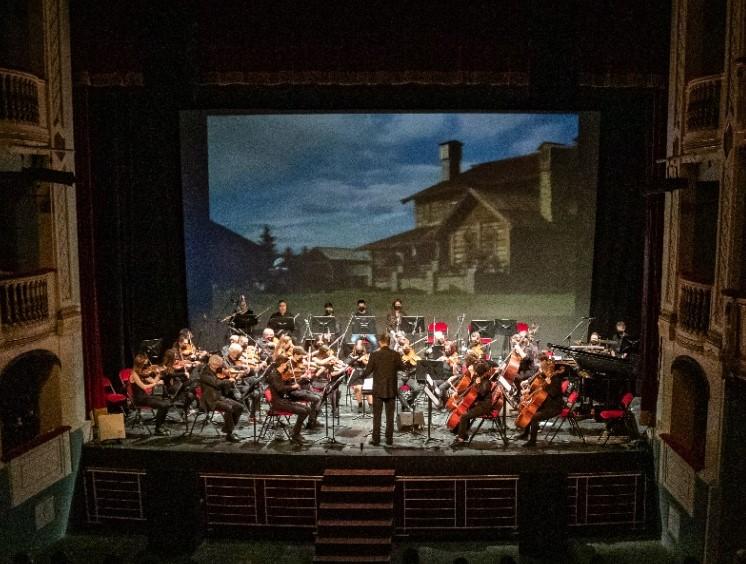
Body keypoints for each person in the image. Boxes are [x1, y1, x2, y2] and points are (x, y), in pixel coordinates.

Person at [361, 333, 405, 446]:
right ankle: (389, 439)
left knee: (377, 416)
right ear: (389, 342)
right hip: (391, 389)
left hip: (378, 389)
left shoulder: (374, 355)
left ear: (380, 342)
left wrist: (360, 375)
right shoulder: (395, 354)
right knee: (390, 416)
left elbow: (368, 371)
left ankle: (376, 439)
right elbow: (402, 367)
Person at [516, 354, 566, 447]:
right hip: (546, 405)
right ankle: (526, 433)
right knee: (529, 411)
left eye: (545, 369)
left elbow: (553, 393)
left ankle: (532, 441)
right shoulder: (547, 377)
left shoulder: (555, 379)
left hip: (554, 407)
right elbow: (541, 388)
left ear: (550, 369)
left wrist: (545, 386)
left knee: (534, 417)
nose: (543, 371)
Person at [266, 355, 311, 444]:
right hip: (278, 403)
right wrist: (293, 387)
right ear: (282, 364)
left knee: (308, 409)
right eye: (286, 364)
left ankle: (295, 432)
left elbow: (285, 386)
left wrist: (298, 382)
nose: (287, 366)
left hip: (283, 401)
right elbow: (280, 389)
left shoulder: (279, 374)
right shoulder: (273, 375)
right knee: (303, 411)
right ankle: (295, 434)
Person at [453, 361, 500, 446]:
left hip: (484, 406)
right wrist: (458, 392)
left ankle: (461, 440)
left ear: (478, 372)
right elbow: (469, 389)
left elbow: (482, 393)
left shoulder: (486, 382)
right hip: (479, 404)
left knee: (464, 417)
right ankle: (463, 434)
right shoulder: (478, 379)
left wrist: (478, 384)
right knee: (465, 411)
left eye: (475, 371)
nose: (474, 372)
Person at [198, 355, 244, 442]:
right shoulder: (204, 374)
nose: (219, 368)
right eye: (218, 366)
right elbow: (216, 383)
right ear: (212, 364)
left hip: (219, 397)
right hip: (210, 401)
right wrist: (228, 380)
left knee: (239, 407)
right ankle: (229, 434)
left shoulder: (213, 371)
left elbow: (220, 384)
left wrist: (233, 378)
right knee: (229, 408)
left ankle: (229, 429)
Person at [129, 353, 171, 436]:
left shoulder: (142, 373)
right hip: (139, 399)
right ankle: (158, 429)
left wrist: (159, 374)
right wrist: (156, 384)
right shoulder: (134, 374)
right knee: (163, 405)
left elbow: (153, 381)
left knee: (167, 403)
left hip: (145, 397)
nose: (146, 366)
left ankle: (160, 425)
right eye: (144, 364)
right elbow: (144, 386)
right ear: (139, 364)